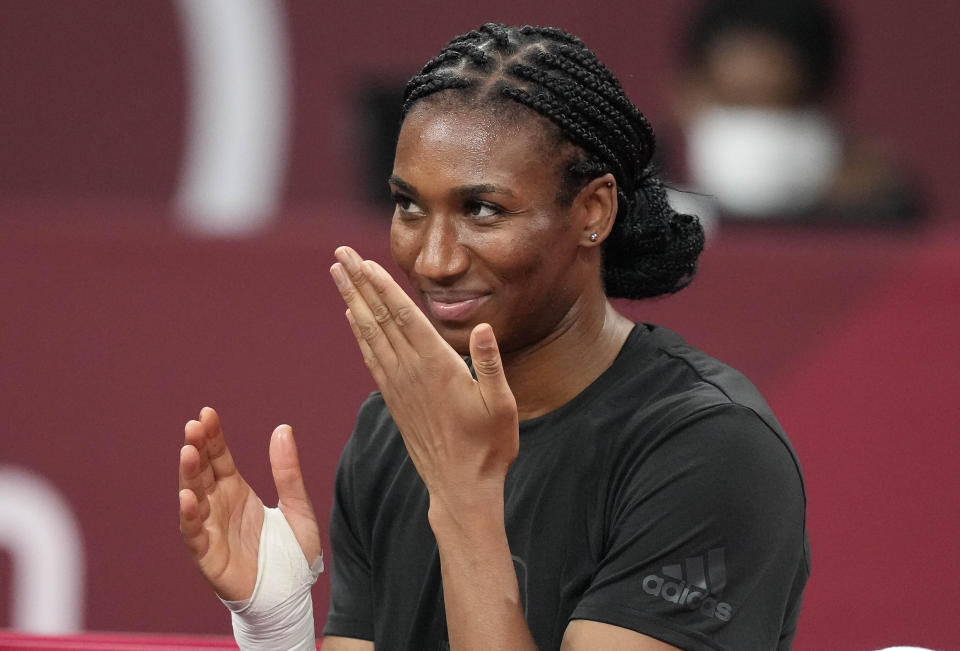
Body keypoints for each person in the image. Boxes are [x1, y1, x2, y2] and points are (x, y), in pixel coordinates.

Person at [178, 23, 809, 650]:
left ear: (592, 212)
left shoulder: (710, 448)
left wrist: (462, 499)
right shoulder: (393, 431)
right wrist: (278, 632)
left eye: (483, 210)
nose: (434, 259)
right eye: (408, 206)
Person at [667, 0, 922, 224]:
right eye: (736, 101)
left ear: (827, 104)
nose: (760, 127)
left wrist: (870, 208)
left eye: (782, 104)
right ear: (684, 97)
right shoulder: (636, 195)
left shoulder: (874, 204)